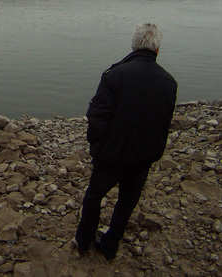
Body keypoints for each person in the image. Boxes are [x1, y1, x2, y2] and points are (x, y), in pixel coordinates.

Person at [74, 23, 177, 260]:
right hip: (143, 156)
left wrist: (96, 147)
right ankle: (110, 245)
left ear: (133, 45)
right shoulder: (169, 82)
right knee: (127, 201)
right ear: (157, 50)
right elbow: (164, 122)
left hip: (111, 154)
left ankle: (83, 241)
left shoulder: (115, 75)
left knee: (94, 196)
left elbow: (97, 116)